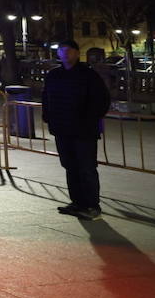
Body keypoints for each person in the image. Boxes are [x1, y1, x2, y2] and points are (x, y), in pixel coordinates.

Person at [42, 39, 111, 220]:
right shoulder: (54, 75)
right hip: (62, 129)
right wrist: (49, 118)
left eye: (68, 50)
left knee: (86, 167)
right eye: (61, 50)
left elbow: (102, 101)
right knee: (70, 166)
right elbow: (46, 99)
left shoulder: (88, 76)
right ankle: (77, 202)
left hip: (83, 131)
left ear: (76, 53)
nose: (65, 54)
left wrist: (88, 119)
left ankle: (92, 205)